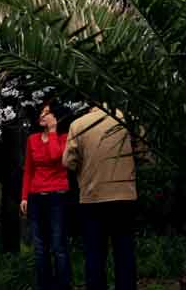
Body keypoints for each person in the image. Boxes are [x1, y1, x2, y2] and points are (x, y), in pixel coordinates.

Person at [63, 107, 138, 290]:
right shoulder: (129, 118)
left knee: (95, 254)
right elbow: (143, 152)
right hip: (124, 194)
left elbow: (68, 162)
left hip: (92, 197)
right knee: (125, 251)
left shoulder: (78, 124)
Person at [21, 99, 72, 290]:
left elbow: (54, 156)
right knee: (40, 249)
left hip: (57, 196)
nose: (42, 115)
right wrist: (24, 197)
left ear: (55, 116)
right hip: (36, 196)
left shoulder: (64, 137)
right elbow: (28, 170)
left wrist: (52, 131)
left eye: (47, 112)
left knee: (58, 246)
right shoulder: (32, 139)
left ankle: (63, 285)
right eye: (41, 112)